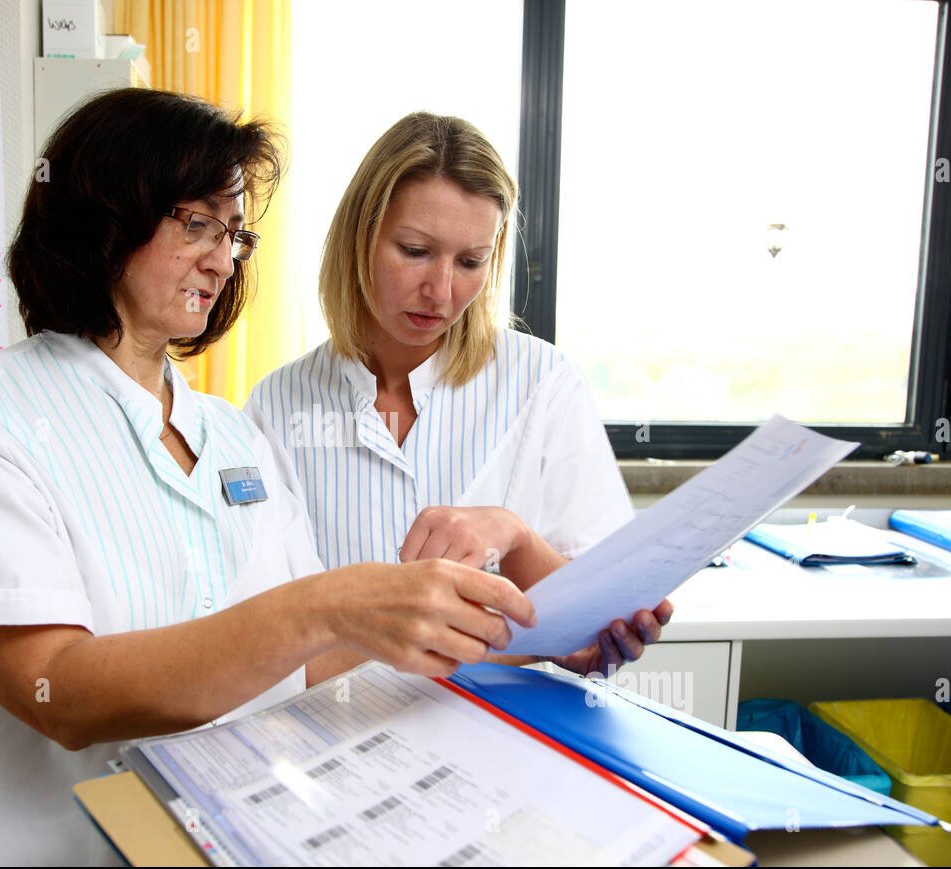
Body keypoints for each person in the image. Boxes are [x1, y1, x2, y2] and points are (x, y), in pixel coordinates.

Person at [0, 90, 536, 866]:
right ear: (102, 219)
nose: (223, 259)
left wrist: (428, 612)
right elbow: (58, 690)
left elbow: (307, 662)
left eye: (234, 234)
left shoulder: (232, 434)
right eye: (196, 224)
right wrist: (330, 605)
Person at [246, 112, 670, 679]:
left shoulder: (542, 381)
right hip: (340, 738)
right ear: (359, 238)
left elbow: (600, 608)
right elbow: (270, 642)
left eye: (471, 261)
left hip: (505, 737)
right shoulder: (277, 408)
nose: (441, 292)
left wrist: (517, 539)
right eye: (416, 251)